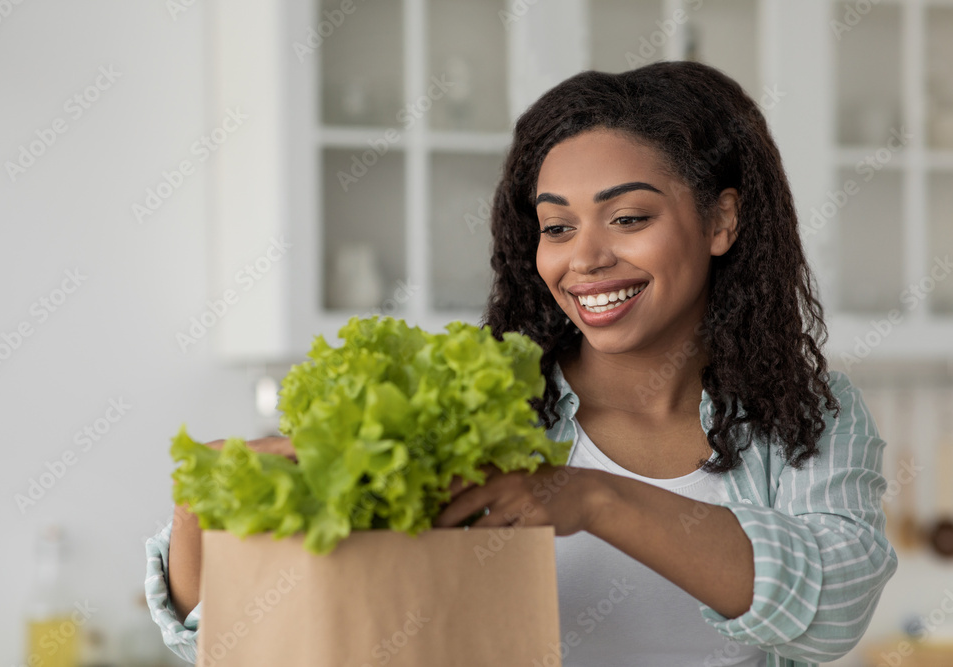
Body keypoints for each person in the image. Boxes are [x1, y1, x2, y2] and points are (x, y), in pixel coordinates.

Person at [146, 61, 897, 667]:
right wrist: (201, 509)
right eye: (557, 225)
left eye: (629, 217)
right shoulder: (474, 406)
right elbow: (236, 636)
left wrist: (595, 498)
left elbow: (833, 606)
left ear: (722, 220)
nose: (587, 257)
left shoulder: (809, 411)